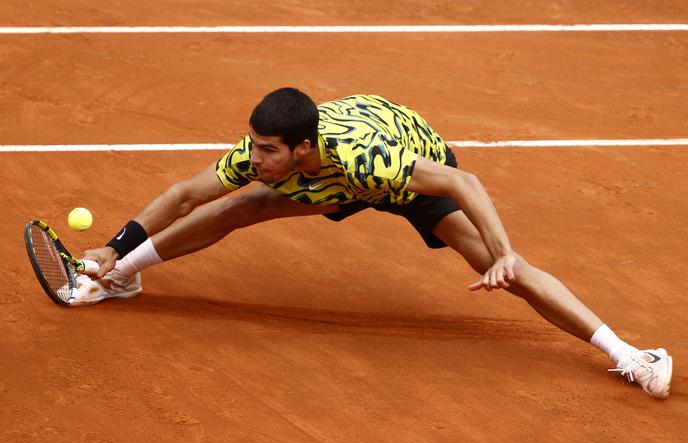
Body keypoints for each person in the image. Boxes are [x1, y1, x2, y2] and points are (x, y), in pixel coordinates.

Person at [76, 88, 673, 399]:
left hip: (404, 174)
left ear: (301, 149)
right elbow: (185, 194)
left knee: (505, 270)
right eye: (253, 146)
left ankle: (631, 356)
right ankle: (125, 273)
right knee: (241, 202)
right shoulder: (267, 155)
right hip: (334, 182)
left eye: (267, 150)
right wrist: (112, 245)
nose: (253, 157)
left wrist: (507, 252)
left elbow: (464, 182)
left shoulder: (372, 161)